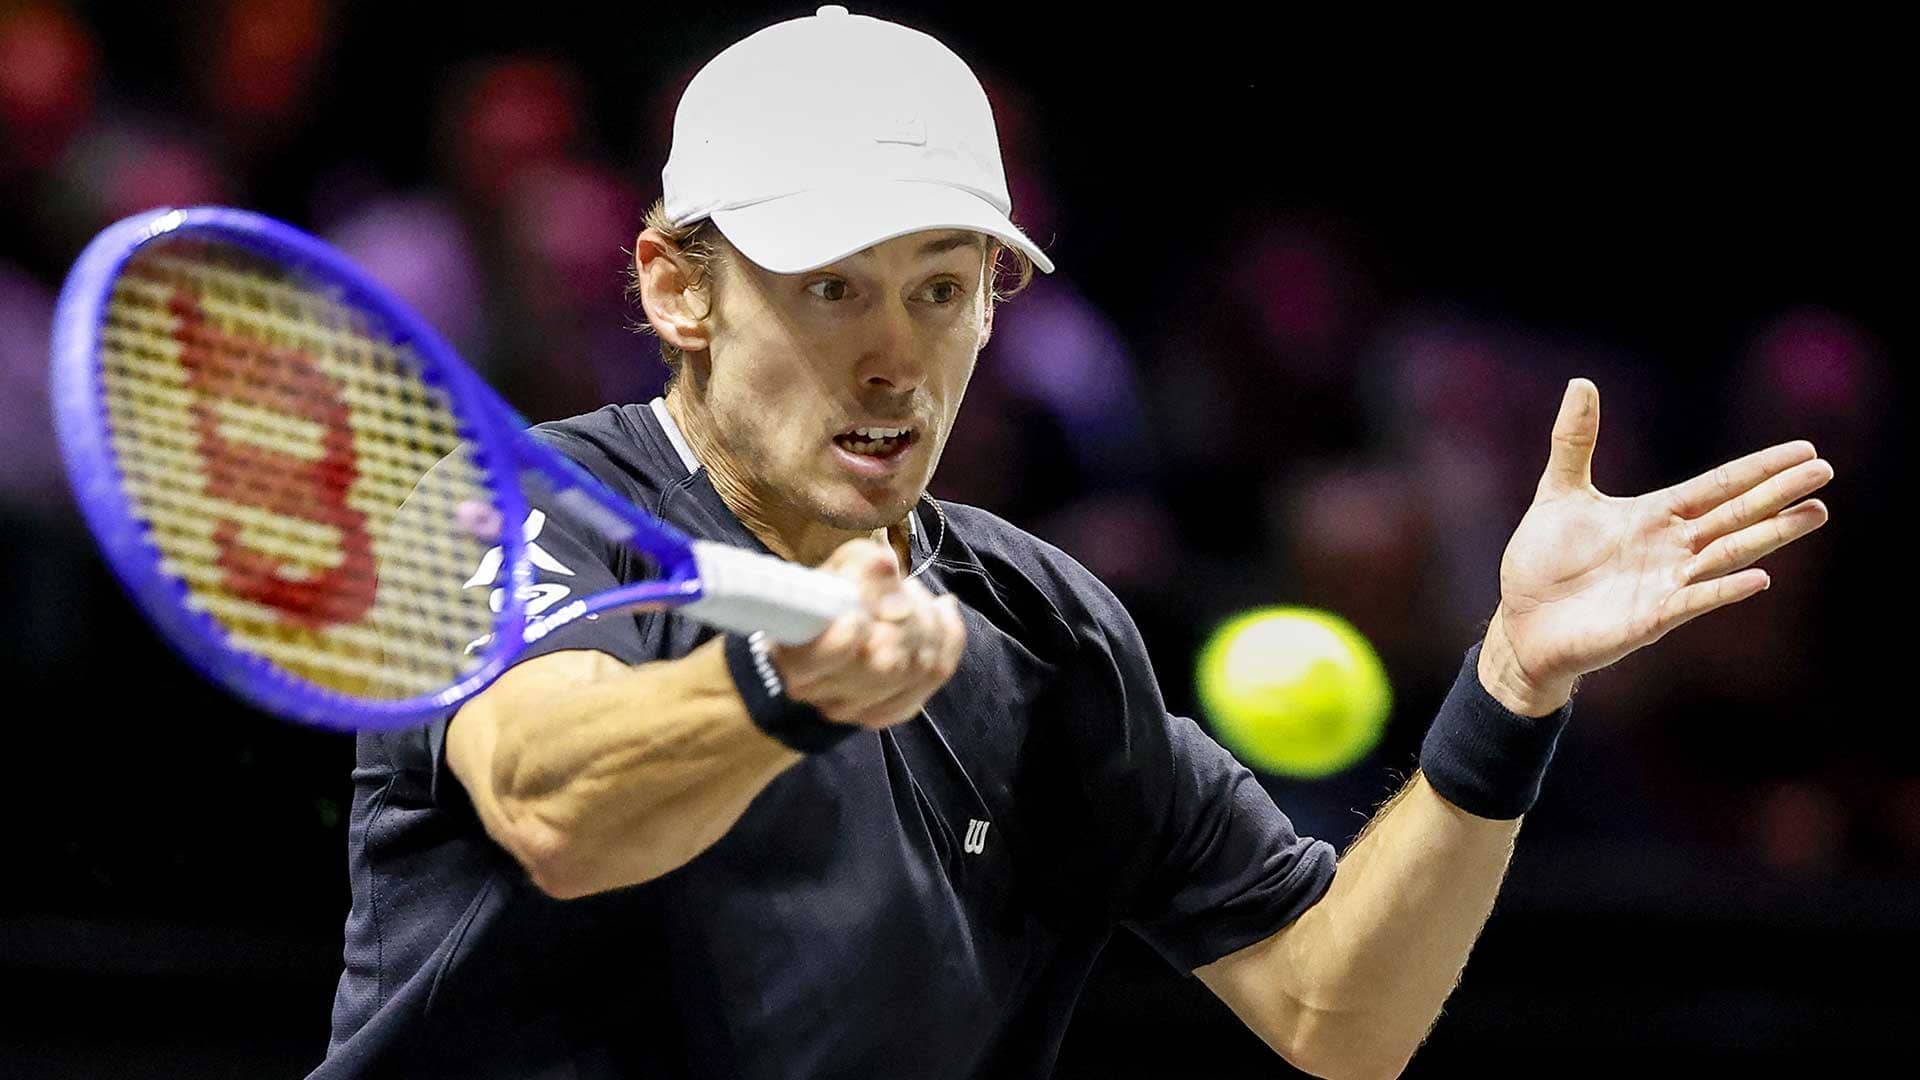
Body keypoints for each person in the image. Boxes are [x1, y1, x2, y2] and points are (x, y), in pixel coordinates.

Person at [309, 8, 1833, 1078]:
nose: (897, 359)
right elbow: (551, 800)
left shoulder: (1045, 630)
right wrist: (783, 690)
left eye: (943, 287)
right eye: (832, 287)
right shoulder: (517, 507)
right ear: (675, 289)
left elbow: (1338, 1015)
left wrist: (1509, 685)